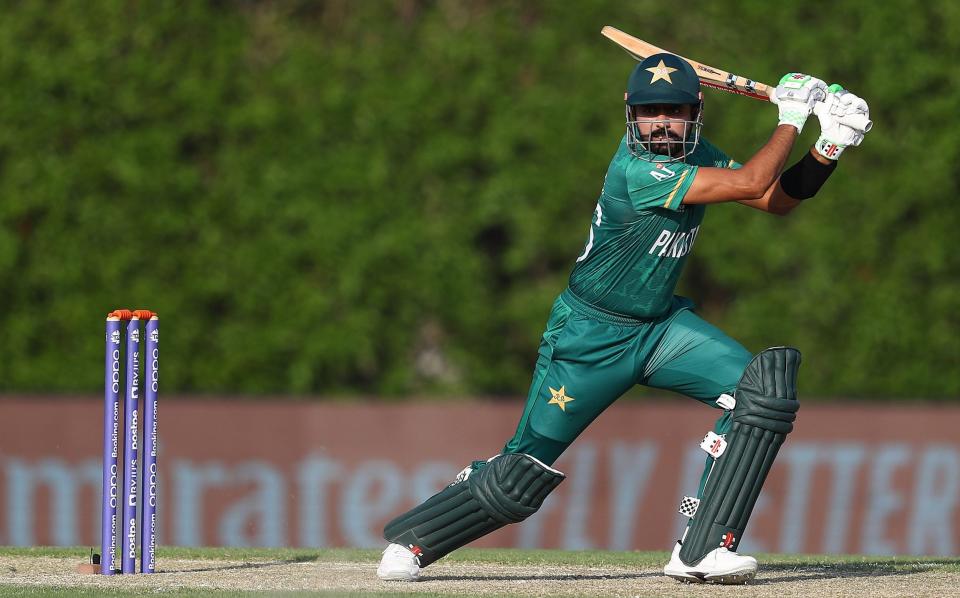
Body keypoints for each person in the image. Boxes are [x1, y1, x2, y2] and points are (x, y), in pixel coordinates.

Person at [376, 53, 871, 584]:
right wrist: (791, 118)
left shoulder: (694, 154)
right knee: (521, 474)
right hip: (589, 336)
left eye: (673, 111)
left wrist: (829, 145)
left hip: (659, 329)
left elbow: (775, 200)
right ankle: (416, 539)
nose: (661, 122)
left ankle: (702, 548)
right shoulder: (638, 170)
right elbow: (752, 182)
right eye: (649, 111)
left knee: (762, 391)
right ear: (630, 115)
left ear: (695, 112)